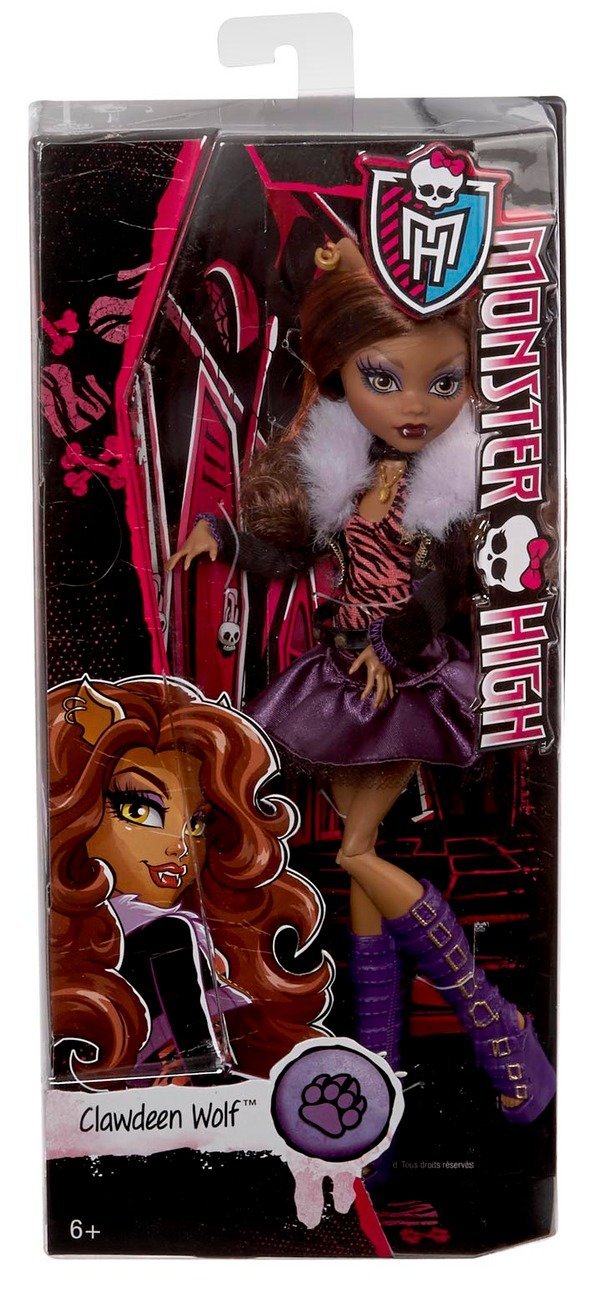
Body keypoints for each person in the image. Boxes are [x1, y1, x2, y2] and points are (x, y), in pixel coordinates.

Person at [168, 238, 556, 1122]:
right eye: (384, 378)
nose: (414, 404)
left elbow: (443, 593)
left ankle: (493, 1023)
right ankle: (380, 1064)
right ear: (341, 372)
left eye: (443, 382)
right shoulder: (344, 478)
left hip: (401, 683)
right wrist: (221, 538)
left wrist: (392, 642)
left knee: (355, 852)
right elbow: (290, 556)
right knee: (358, 867)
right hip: (341, 677)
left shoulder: (448, 494)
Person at [48, 674, 331, 1086]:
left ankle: (215, 1071)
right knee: (171, 935)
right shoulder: (153, 933)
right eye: (139, 810)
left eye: (196, 824)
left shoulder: (193, 925)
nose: (180, 847)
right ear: (76, 809)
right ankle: (205, 1069)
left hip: (170, 1083)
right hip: (113, 1063)